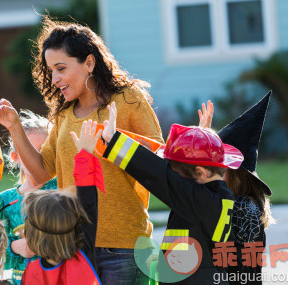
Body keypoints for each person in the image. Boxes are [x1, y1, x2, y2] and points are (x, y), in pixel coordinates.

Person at [0, 18, 163, 284]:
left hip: (122, 245)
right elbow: (39, 173)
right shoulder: (63, 114)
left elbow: (158, 158)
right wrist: (14, 126)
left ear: (90, 63)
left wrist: (115, 141)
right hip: (73, 244)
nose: (55, 79)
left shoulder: (128, 100)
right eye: (50, 71)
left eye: (61, 68)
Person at [101, 102, 244, 284]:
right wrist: (199, 143)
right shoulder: (218, 196)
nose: (175, 176)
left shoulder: (197, 200)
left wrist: (114, 142)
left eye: (178, 172)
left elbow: (158, 174)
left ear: (201, 173)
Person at [199, 93, 274, 284]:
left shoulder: (241, 208)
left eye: (218, 169)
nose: (211, 174)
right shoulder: (246, 202)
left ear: (237, 174)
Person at [21, 120, 103, 284]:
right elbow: (88, 203)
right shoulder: (84, 257)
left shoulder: (31, 272)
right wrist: (85, 154)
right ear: (77, 226)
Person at [0, 110, 57, 284]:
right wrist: (15, 247)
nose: (38, 157)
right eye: (29, 150)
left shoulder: (61, 189)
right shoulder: (5, 200)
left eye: (45, 150)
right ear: (15, 157)